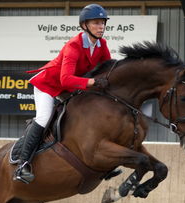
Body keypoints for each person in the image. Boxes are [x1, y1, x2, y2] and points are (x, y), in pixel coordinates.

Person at [15, 4, 112, 184]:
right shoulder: (73, 45)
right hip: (48, 84)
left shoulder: (102, 44)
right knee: (44, 117)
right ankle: (22, 164)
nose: (101, 27)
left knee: (84, 113)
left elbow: (108, 68)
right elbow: (66, 79)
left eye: (103, 23)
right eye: (97, 23)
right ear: (85, 26)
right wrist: (91, 82)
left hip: (69, 88)